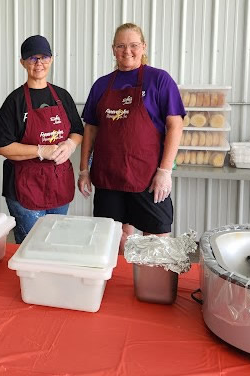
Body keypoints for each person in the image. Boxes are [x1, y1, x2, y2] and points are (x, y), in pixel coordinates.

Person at [78, 23, 185, 248]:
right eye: (121, 46)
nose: (127, 51)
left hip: (147, 178)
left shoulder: (159, 79)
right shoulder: (101, 85)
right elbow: (90, 129)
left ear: (143, 47)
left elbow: (175, 125)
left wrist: (165, 171)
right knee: (113, 241)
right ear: (113, 49)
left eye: (134, 45)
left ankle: (150, 284)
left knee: (156, 241)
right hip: (108, 179)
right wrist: (84, 170)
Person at [0, 35, 84, 243]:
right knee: (31, 245)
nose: (38, 63)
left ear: (51, 59)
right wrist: (40, 150)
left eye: (43, 57)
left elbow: (78, 130)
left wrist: (70, 144)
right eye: (32, 58)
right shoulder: (15, 101)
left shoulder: (62, 96)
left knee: (56, 241)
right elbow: (1, 146)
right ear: (22, 62)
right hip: (26, 187)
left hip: (58, 183)